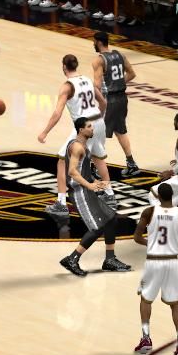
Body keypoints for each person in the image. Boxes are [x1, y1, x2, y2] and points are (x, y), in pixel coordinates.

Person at [37, 54, 115, 221]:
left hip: (84, 126)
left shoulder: (67, 86)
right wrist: (97, 119)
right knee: (98, 158)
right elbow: (103, 102)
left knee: (62, 160)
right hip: (98, 120)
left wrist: (45, 132)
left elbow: (57, 113)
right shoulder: (87, 79)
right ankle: (109, 194)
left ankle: (61, 204)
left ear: (64, 67)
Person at [59, 118, 131, 278]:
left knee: (111, 218)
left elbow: (81, 170)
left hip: (86, 189)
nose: (92, 129)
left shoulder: (81, 145)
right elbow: (72, 171)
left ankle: (110, 259)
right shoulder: (77, 147)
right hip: (80, 192)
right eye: (89, 126)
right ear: (81, 130)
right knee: (97, 227)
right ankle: (72, 259)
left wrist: (94, 181)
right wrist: (89, 185)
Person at [132, 183, 178, 355]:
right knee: (176, 304)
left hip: (153, 261)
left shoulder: (149, 212)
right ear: (172, 195)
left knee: (145, 299)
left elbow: (136, 237)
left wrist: (151, 243)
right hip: (172, 262)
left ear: (158, 196)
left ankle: (146, 339)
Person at [93, 32, 140, 177]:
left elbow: (97, 85)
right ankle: (132, 164)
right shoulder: (120, 55)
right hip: (122, 98)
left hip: (110, 100)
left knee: (97, 132)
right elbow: (132, 74)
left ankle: (98, 169)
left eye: (94, 42)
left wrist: (97, 102)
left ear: (99, 42)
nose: (93, 44)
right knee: (120, 131)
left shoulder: (99, 60)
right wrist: (118, 83)